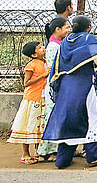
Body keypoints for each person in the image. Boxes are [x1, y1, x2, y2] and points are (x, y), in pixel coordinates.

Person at [42, 16, 97, 169]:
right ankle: (93, 156)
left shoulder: (66, 40)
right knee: (91, 117)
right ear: (89, 27)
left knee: (69, 119)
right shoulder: (88, 38)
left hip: (66, 87)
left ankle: (63, 160)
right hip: (84, 84)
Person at [7, 41, 48, 164]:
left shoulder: (45, 62)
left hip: (42, 97)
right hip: (32, 99)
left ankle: (37, 152)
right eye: (39, 48)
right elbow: (26, 83)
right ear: (34, 55)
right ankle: (25, 153)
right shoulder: (31, 66)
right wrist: (43, 76)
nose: (43, 48)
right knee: (27, 125)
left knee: (39, 125)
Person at [37, 17, 71, 161]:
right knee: (53, 119)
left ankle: (55, 150)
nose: (69, 30)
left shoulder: (58, 44)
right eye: (66, 27)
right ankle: (46, 151)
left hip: (57, 88)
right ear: (58, 30)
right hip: (55, 89)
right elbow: (55, 68)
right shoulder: (53, 47)